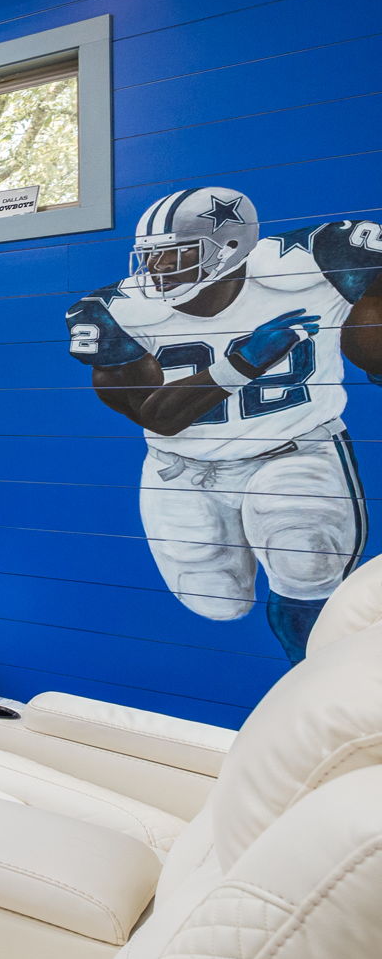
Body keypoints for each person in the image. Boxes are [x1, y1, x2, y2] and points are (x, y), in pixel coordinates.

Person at [66, 187, 382, 658]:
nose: (158, 269)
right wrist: (244, 362)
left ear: (230, 247)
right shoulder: (116, 311)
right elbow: (159, 416)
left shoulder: (317, 260)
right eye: (151, 257)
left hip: (295, 450)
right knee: (215, 601)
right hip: (182, 467)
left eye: (176, 255)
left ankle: (313, 688)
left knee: (306, 570)